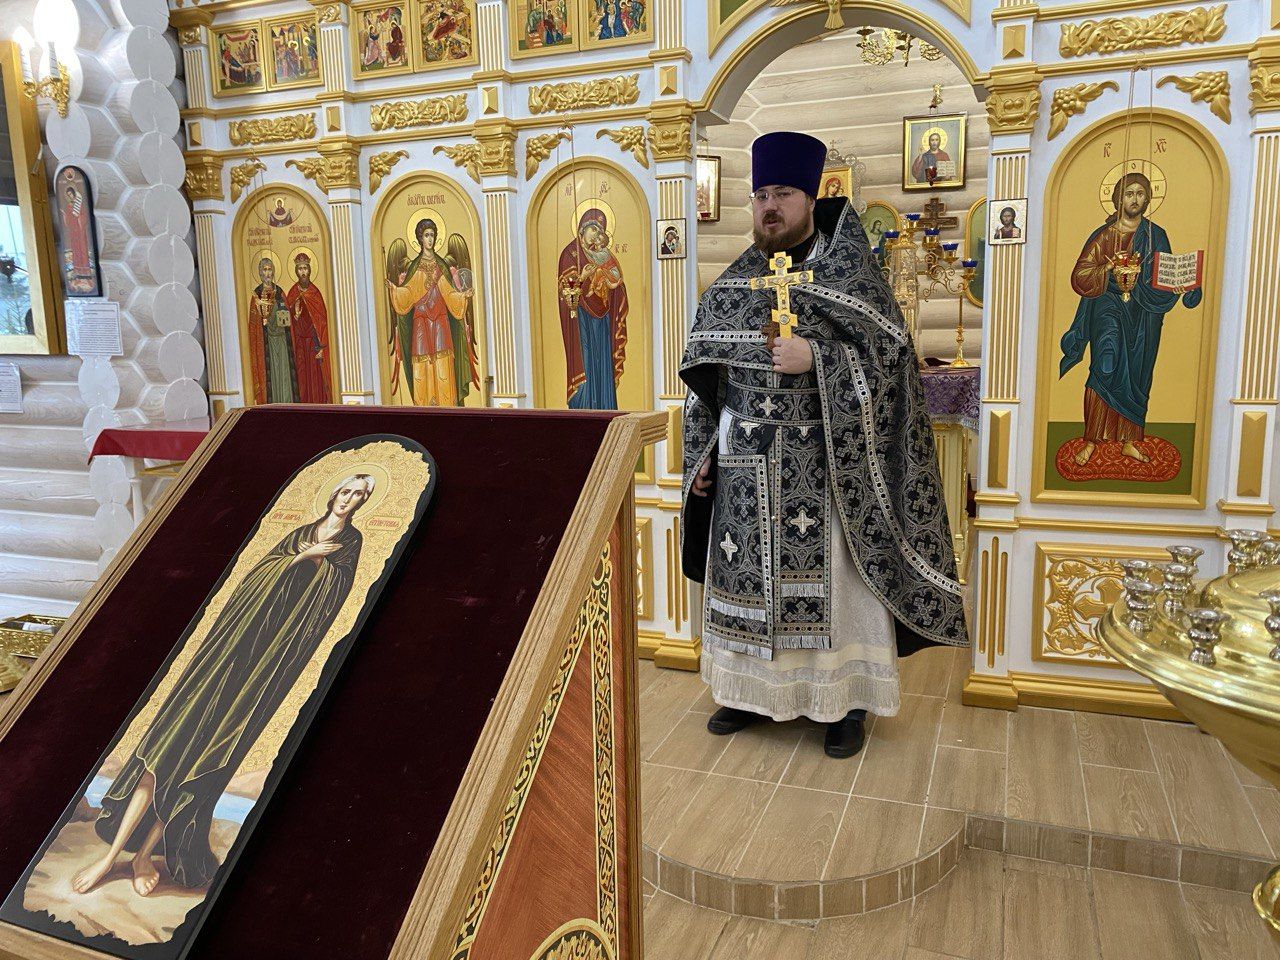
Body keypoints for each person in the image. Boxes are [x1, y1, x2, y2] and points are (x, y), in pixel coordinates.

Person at [681, 131, 968, 759]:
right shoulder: (734, 283)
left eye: (783, 193)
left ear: (811, 198)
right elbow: (706, 382)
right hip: (744, 466)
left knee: (835, 589)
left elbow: (891, 366)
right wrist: (702, 458)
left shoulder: (849, 275)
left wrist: (819, 357)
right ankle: (748, 693)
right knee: (744, 576)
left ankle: (845, 702)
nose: (769, 206)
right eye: (761, 195)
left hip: (831, 466)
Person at [70, 475, 371, 896]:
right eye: (346, 491)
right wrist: (301, 557)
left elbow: (332, 599)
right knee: (162, 751)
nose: (349, 499)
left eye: (359, 495)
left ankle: (144, 857)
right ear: (334, 493)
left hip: (264, 667)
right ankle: (110, 857)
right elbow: (253, 580)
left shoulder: (351, 544)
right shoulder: (299, 535)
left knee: (196, 769)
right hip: (227, 653)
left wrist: (321, 566)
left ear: (363, 503)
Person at [1059, 173, 1202, 467]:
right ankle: (1091, 439)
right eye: (1128, 193)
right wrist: (1107, 270)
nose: (1134, 199)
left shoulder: (1155, 234)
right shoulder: (1104, 235)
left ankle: (1128, 441)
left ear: (1147, 198)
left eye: (1140, 193)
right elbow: (1080, 275)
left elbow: (1164, 274)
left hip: (1144, 314)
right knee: (1105, 364)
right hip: (1108, 306)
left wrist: (1181, 285)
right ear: (1118, 199)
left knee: (1138, 374)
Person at [388, 218, 475, 406]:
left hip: (441, 321)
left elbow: (449, 293)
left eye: (432, 235)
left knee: (443, 361)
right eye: (426, 235)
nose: (430, 239)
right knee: (422, 363)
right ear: (420, 238)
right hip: (421, 321)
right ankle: (425, 406)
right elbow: (409, 292)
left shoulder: (440, 265)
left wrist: (463, 296)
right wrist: (395, 290)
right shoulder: (415, 266)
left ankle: (446, 405)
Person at [557, 209, 628, 409]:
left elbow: (617, 284)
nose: (596, 235)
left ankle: (605, 407)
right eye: (593, 229)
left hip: (603, 318)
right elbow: (566, 289)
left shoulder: (603, 254)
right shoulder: (570, 253)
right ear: (582, 228)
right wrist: (583, 277)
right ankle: (584, 408)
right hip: (580, 318)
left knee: (602, 361)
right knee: (586, 361)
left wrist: (612, 282)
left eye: (600, 231)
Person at [284, 252, 332, 404]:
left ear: (309, 270)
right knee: (301, 377)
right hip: (299, 344)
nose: (303, 272)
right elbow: (286, 320)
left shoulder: (315, 293)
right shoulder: (292, 293)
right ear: (296, 271)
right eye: (300, 269)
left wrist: (322, 346)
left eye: (305, 268)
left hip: (313, 344)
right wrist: (295, 315)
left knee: (316, 377)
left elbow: (322, 321)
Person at [247, 257, 297, 403]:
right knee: (272, 376)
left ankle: (287, 405)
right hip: (267, 343)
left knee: (284, 375)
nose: (267, 273)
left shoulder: (280, 292)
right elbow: (254, 327)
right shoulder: (256, 296)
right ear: (260, 273)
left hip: (282, 342)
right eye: (265, 270)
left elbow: (288, 319)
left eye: (270, 270)